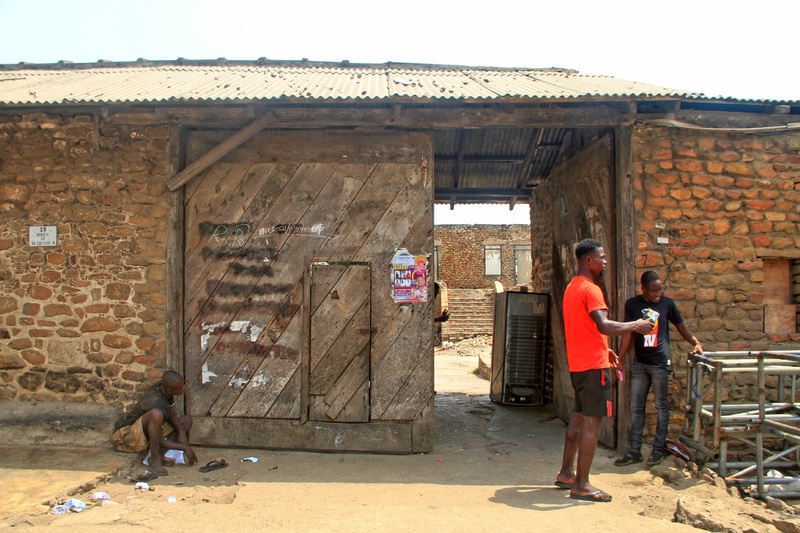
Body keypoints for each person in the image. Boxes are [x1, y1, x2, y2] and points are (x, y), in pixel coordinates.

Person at [554, 238, 654, 503]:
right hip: (593, 367)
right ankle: (582, 485)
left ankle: (566, 473)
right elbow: (604, 325)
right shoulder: (591, 289)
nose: (605, 261)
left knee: (578, 418)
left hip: (579, 365)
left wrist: (604, 347)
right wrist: (635, 325)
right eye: (601, 257)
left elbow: (587, 328)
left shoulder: (571, 288)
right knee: (592, 423)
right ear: (588, 261)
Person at [614, 271, 703, 467]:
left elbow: (681, 326)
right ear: (643, 289)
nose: (658, 293)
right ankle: (634, 451)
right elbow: (627, 333)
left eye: (660, 289)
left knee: (661, 407)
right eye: (653, 290)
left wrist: (695, 343)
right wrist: (619, 358)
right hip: (640, 363)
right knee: (636, 408)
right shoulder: (632, 304)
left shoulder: (667, 304)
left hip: (660, 364)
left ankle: (657, 449)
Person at [111, 370, 198, 476]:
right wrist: (185, 448)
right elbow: (159, 440)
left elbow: (171, 412)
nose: (184, 388)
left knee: (185, 421)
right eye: (180, 387)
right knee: (156, 414)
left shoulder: (163, 388)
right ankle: (154, 459)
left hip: (147, 432)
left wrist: (181, 432)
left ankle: (160, 455)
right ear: (170, 390)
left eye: (183, 384)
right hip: (128, 436)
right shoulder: (156, 402)